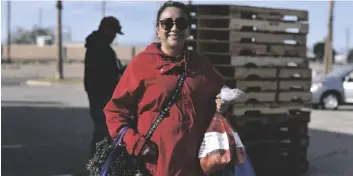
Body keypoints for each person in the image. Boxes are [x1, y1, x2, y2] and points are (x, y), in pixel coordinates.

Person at [104, 1, 231, 175]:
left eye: (181, 23)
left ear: (188, 29)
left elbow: (220, 93)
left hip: (197, 167)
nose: (174, 28)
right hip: (156, 167)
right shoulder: (141, 64)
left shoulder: (201, 65)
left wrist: (221, 105)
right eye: (167, 23)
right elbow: (115, 113)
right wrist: (136, 145)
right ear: (158, 29)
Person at [84, 16, 126, 157]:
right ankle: (97, 164)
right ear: (107, 31)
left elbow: (109, 70)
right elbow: (106, 73)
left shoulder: (98, 46)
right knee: (103, 131)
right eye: (114, 33)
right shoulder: (100, 48)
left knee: (103, 131)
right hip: (102, 96)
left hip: (100, 95)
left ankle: (99, 162)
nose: (114, 37)